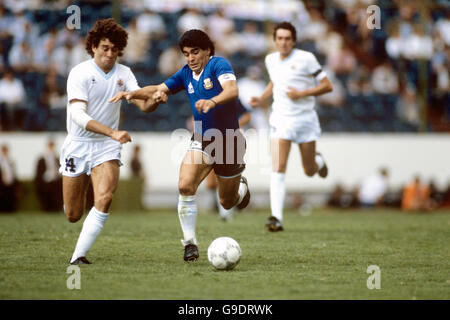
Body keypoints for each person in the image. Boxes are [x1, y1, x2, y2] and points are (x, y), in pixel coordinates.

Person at [110, 29, 251, 262]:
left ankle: (241, 189)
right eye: (186, 54)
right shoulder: (186, 73)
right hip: (202, 139)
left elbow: (232, 90)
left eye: (195, 52)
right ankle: (189, 243)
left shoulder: (219, 65)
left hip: (229, 141)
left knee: (227, 202)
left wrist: (213, 101)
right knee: (185, 185)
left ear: (207, 51)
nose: (190, 58)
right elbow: (158, 89)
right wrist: (131, 94)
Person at [61, 18, 160, 265]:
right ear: (93, 46)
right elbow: (78, 116)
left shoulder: (124, 73)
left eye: (115, 50)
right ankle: (77, 198)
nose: (110, 54)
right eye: (105, 48)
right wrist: (112, 132)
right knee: (73, 214)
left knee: (104, 198)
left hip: (106, 147)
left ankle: (78, 256)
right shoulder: (79, 73)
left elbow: (141, 103)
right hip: (78, 144)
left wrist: (155, 100)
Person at [249, 21, 333, 232]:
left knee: (309, 170)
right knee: (278, 168)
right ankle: (276, 217)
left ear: (294, 41)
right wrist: (261, 98)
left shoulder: (306, 59)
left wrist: (302, 94)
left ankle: (317, 160)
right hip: (281, 120)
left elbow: (327, 85)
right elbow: (274, 83)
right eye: (280, 38)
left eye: (288, 38)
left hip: (305, 120)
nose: (284, 42)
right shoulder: (271, 60)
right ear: (275, 40)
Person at [34, 139, 62, 212]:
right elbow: (39, 173)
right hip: (46, 182)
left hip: (55, 181)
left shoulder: (56, 157)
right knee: (46, 199)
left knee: (55, 198)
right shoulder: (42, 159)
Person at [0, 144, 18, 212]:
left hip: (10, 184)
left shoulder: (11, 161)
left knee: (10, 201)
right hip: (2, 185)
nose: (5, 152)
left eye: (6, 150)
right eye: (3, 150)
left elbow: (14, 174)